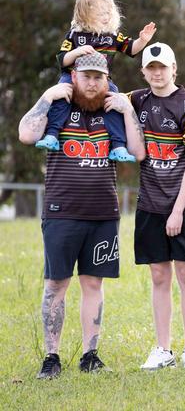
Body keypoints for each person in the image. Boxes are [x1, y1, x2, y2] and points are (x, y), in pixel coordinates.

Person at [18, 52, 146, 379]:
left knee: (93, 283)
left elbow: (139, 151)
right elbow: (27, 135)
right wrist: (46, 97)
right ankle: (52, 357)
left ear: (107, 80)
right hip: (62, 212)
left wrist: (129, 109)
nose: (92, 83)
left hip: (103, 213)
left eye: (98, 77)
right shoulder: (59, 105)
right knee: (56, 284)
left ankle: (91, 355)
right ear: (73, 77)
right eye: (86, 76)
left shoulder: (113, 111)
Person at [129, 43, 185, 369]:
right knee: (159, 276)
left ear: (174, 68)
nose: (157, 73)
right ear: (144, 71)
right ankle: (163, 349)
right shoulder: (138, 100)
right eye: (151, 68)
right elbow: (103, 93)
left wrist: (177, 210)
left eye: (163, 67)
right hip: (150, 205)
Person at [35, 0, 156, 162]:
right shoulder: (75, 35)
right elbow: (62, 59)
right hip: (73, 77)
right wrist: (77, 52)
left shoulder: (112, 36)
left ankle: (118, 146)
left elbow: (131, 49)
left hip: (102, 80)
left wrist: (143, 40)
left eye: (108, 12)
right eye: (101, 13)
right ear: (85, 14)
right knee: (62, 95)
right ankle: (52, 134)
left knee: (114, 101)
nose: (106, 17)